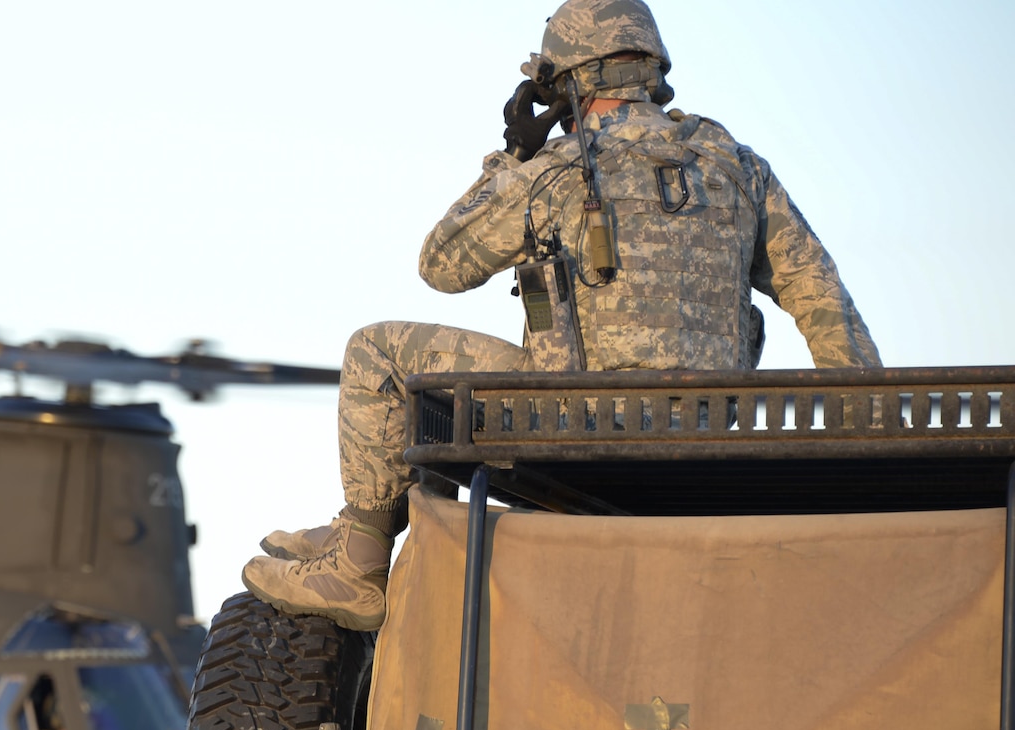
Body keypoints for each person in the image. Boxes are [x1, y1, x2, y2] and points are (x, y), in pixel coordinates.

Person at [242, 0, 880, 631]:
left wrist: (513, 158)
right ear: (651, 71)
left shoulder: (554, 171)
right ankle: (353, 532)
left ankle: (358, 560)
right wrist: (867, 434)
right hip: (705, 430)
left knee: (373, 351)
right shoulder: (739, 169)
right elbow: (821, 295)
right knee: (751, 321)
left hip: (577, 420)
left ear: (567, 83)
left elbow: (441, 265)